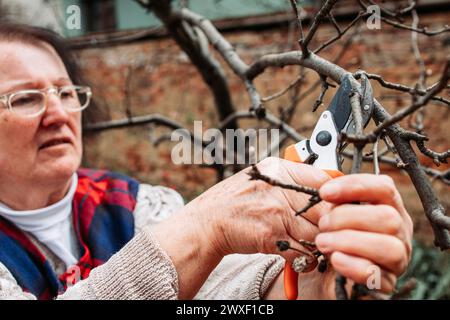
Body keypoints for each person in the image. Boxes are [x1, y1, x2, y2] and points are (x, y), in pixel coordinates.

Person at [0, 23, 412, 300]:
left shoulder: (138, 205)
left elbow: (216, 296)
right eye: (26, 97)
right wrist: (205, 225)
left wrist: (313, 286)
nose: (58, 112)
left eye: (66, 92)